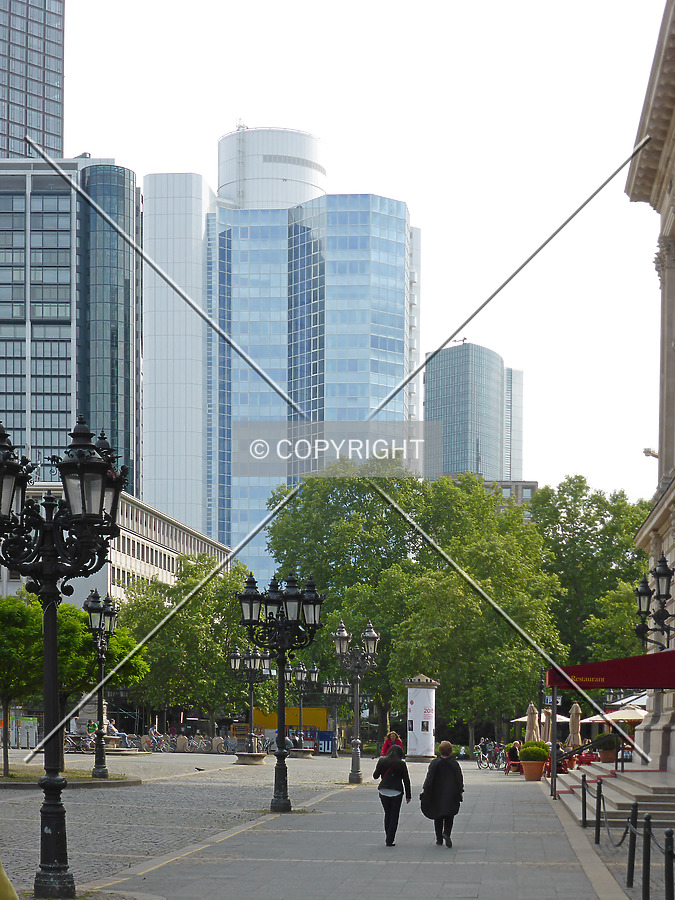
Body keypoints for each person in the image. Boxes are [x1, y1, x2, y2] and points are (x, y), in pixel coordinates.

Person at [420, 740, 464, 848]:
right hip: (451, 793)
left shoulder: (435, 763)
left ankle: (439, 839)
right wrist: (460, 791)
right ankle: (447, 833)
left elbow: (429, 778)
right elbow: (459, 779)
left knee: (438, 816)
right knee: (450, 815)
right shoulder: (454, 763)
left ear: (440, 751)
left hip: (436, 793)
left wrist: (425, 790)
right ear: (451, 751)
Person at [373, 744, 411, 847]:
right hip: (397, 791)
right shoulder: (401, 764)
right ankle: (390, 839)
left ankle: (388, 836)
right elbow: (406, 780)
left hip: (384, 790)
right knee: (394, 815)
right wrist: (408, 795)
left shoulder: (382, 761)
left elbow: (375, 776)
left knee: (387, 814)